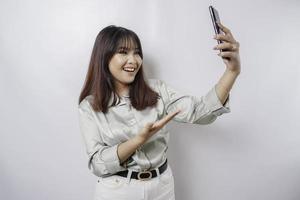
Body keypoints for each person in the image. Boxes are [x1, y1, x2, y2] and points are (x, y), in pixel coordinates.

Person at [78, 23, 240, 200]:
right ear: (104, 57)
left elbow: (200, 112)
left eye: (137, 52)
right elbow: (97, 164)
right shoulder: (89, 106)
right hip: (118, 191)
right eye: (123, 52)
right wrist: (138, 140)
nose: (133, 60)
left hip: (162, 187)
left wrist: (232, 72)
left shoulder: (158, 90)